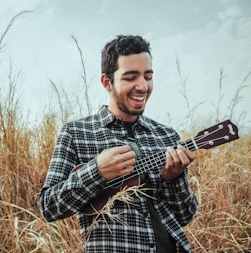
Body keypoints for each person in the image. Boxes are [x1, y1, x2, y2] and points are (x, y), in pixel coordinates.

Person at [38, 35, 198, 252]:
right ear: (107, 82)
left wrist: (174, 179)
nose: (142, 86)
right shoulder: (76, 133)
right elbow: (49, 206)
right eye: (130, 77)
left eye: (148, 76)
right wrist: (96, 171)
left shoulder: (167, 136)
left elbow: (184, 216)